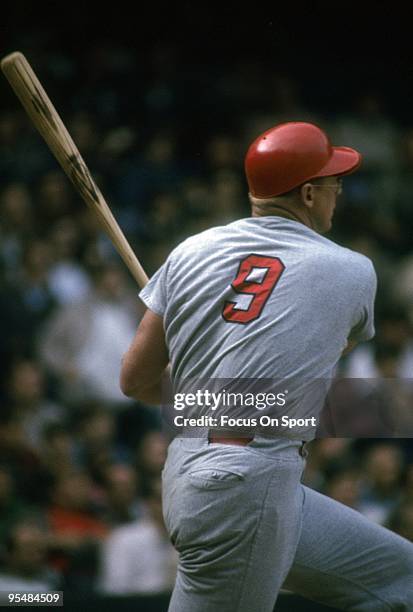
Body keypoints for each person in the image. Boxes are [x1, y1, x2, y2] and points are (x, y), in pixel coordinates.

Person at [120, 122, 413, 611]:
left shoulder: (189, 251)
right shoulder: (351, 268)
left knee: (399, 582)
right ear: (309, 193)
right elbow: (325, 351)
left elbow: (135, 380)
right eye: (333, 181)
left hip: (217, 473)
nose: (339, 191)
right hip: (242, 486)